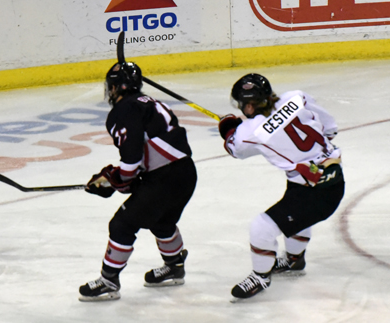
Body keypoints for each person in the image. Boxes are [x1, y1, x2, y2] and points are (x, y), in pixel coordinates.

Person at [78, 61, 197, 302]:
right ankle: (174, 267)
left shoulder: (124, 109)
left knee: (122, 225)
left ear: (115, 88)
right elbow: (152, 149)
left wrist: (119, 178)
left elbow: (132, 156)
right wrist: (119, 178)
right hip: (185, 173)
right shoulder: (150, 102)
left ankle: (109, 281)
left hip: (164, 179)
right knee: (163, 221)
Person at [218, 73, 344, 299]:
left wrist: (228, 128)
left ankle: (260, 277)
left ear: (249, 104)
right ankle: (294, 260)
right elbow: (330, 128)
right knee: (295, 212)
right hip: (330, 179)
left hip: (316, 193)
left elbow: (235, 149)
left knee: (261, 228)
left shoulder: (252, 131)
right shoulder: (296, 98)